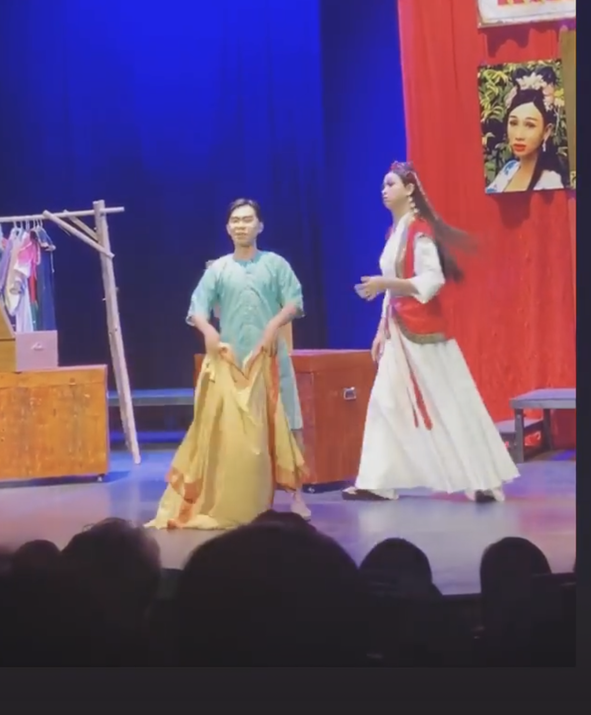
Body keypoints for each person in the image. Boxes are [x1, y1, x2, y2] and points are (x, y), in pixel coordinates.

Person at [343, 162, 519, 503]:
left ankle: (482, 479)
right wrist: (380, 330)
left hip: (423, 329)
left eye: (390, 184)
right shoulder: (395, 233)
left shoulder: (419, 231)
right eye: (383, 185)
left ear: (409, 189)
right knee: (385, 401)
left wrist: (386, 283)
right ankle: (376, 480)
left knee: (449, 402)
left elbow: (432, 279)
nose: (384, 190)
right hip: (398, 329)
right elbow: (391, 292)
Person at [147, 199, 310, 529]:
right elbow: (197, 308)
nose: (241, 226)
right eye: (235, 221)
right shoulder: (218, 269)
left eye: (247, 220)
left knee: (288, 421)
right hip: (232, 361)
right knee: (230, 430)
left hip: (269, 358)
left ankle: (297, 496)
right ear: (227, 228)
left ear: (260, 226)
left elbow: (294, 301)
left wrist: (273, 325)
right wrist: (208, 331)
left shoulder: (275, 264)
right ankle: (236, 495)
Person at [486, 68, 567, 193]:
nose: (518, 135)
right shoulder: (510, 168)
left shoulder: (550, 184)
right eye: (513, 123)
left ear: (546, 131)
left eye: (529, 125)